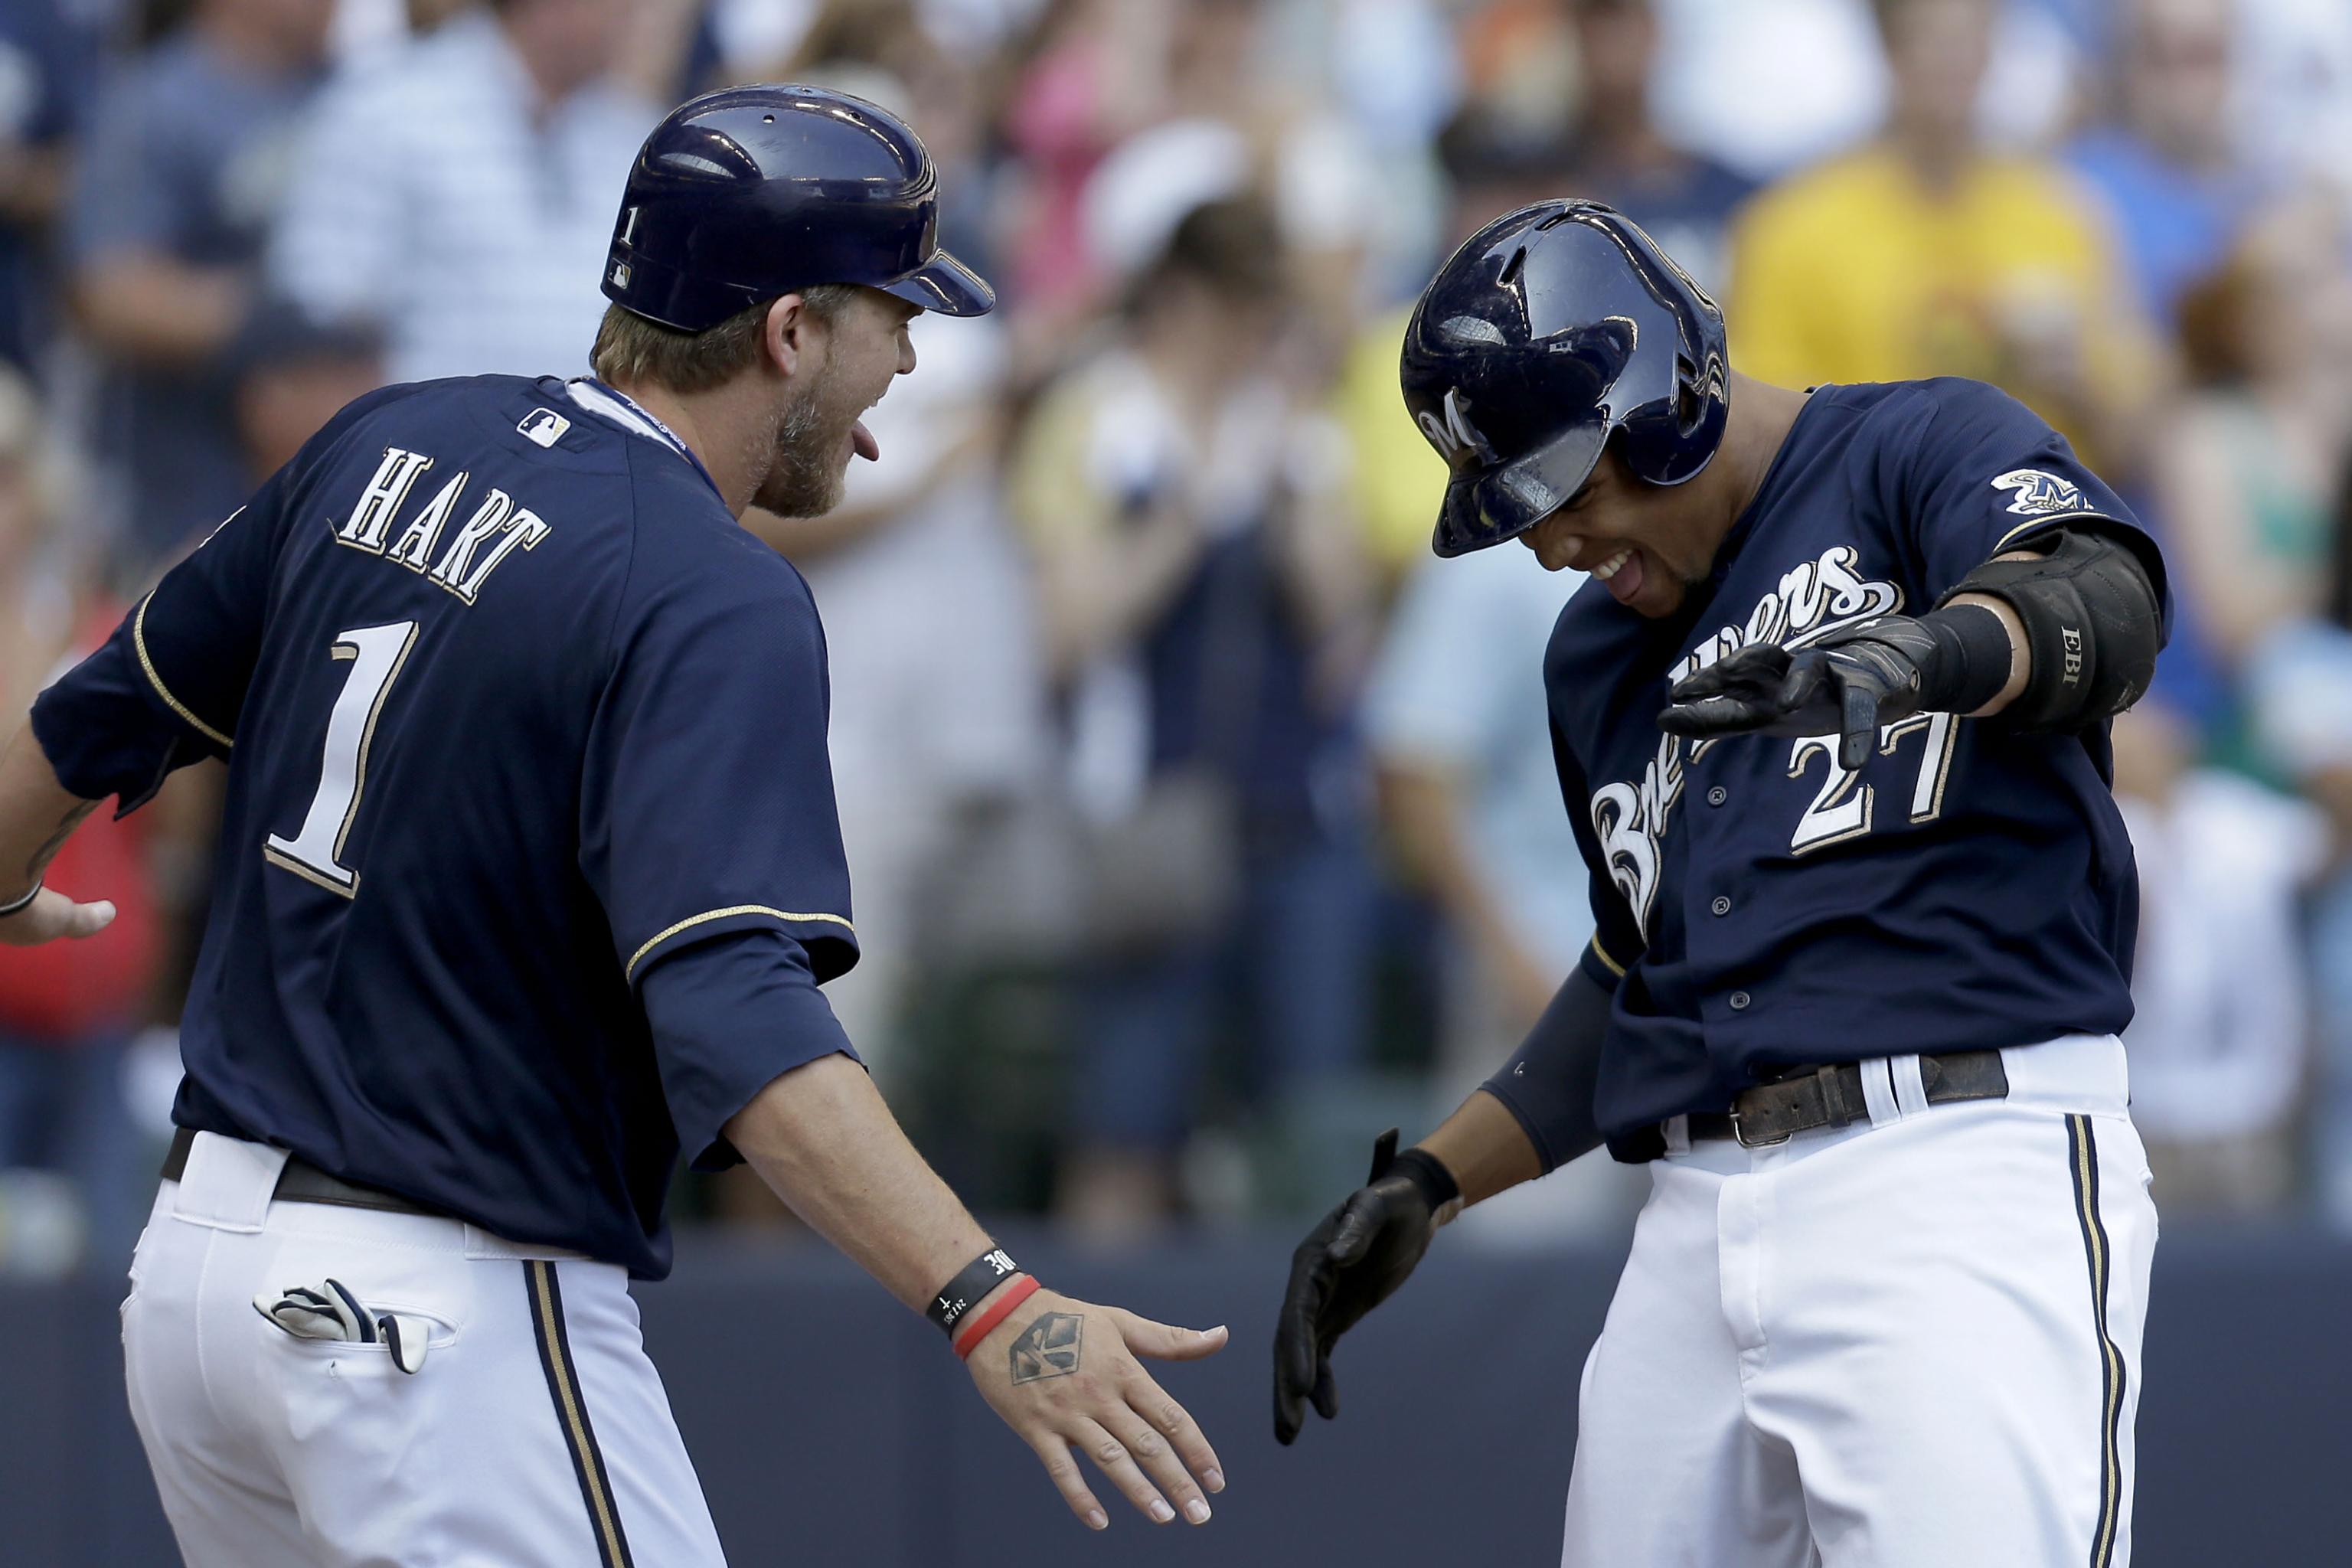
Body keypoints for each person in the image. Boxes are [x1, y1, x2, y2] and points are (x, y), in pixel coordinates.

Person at [2, 87, 1225, 1565]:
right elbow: (736, 1017)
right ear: (786, 330)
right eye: (888, 313)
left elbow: (93, 711)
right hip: (434, 1306)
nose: (909, 351)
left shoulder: (385, 437)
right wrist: (995, 1301)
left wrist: (10, 877)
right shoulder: (708, 587)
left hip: (198, 1282)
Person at [1276, 201, 2171, 1566]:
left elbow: (2103, 604)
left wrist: (1917, 658)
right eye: (1517, 509)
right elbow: (1643, 971)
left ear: (1674, 399)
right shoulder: (1596, 657)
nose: (1550, 543)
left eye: (1569, 488)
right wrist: (1432, 1182)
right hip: (1694, 1215)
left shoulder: (1912, 445)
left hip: (1951, 1159)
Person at [1726, 0, 2160, 478]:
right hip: (1873, 536)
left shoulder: (2060, 214)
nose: (1955, 59)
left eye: (1971, 36)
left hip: (2048, 523)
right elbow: (1762, 440)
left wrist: (2081, 385)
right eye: (1933, 38)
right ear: (1889, 48)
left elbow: (2138, 438)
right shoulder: (1791, 229)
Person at [66, 0, 334, 573]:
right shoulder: (157, 102)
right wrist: (284, 321)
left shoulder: (357, 93)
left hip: (329, 471)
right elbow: (112, 294)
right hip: (183, 476)